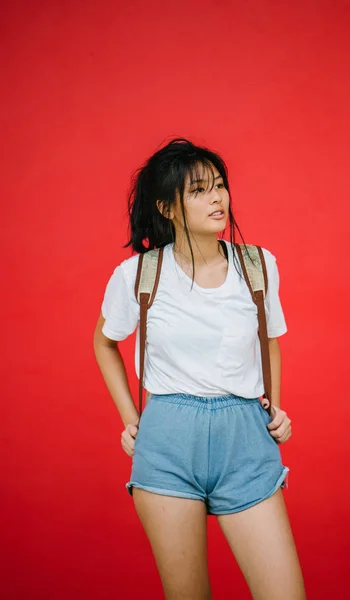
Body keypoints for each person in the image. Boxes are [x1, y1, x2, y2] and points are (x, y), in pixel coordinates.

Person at [93, 137, 306, 599]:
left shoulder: (258, 265)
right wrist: (131, 419)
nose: (217, 198)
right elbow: (104, 342)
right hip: (168, 439)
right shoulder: (138, 275)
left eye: (220, 185)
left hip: (245, 438)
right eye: (199, 190)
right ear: (166, 207)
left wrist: (276, 405)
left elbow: (270, 342)